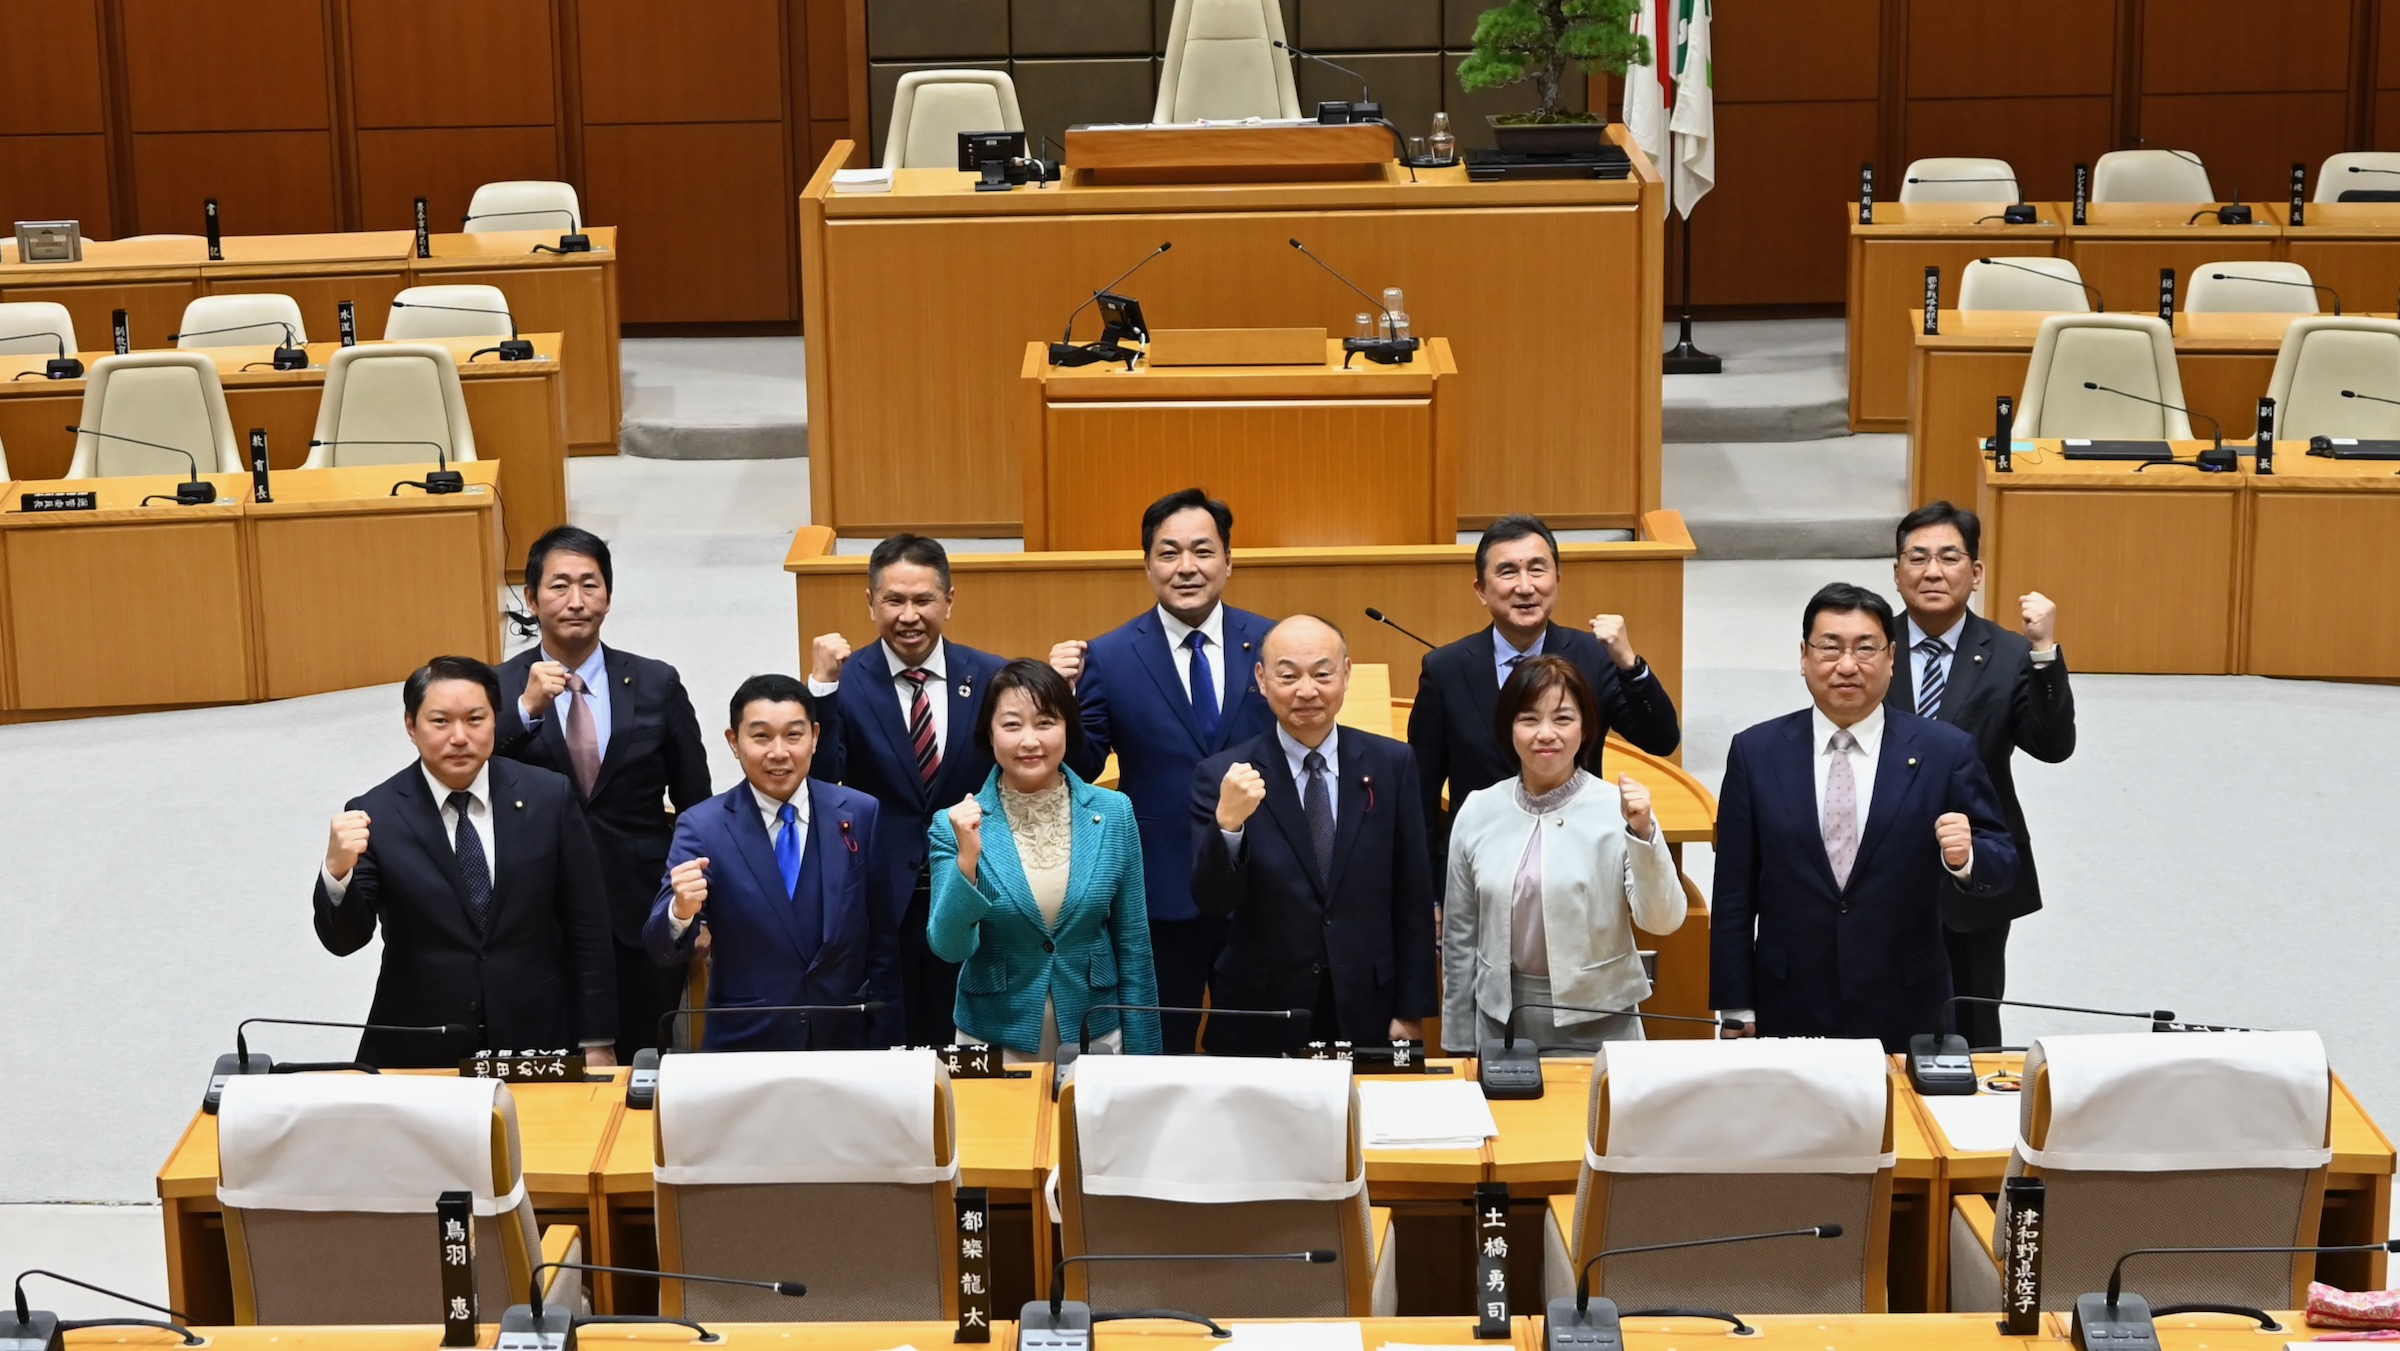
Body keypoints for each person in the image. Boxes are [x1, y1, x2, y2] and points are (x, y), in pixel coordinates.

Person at [1710, 585, 2018, 1051]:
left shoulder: (1944, 750)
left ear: (1892, 657)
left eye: (1866, 648)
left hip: (1908, 1002)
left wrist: (1968, 859)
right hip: (1789, 998)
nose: (1847, 665)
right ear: (1804, 656)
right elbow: (1733, 892)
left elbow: (2003, 860)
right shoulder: (1756, 752)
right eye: (1830, 647)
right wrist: (1735, 1005)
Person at [1050, 488, 1276, 1053]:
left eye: (1202, 551)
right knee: (1160, 1051)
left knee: (1257, 1053)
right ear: (1147, 564)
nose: (1187, 567)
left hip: (1262, 882)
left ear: (1229, 560)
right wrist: (1061, 700)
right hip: (1157, 888)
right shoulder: (1110, 654)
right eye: (1169, 553)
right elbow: (1081, 767)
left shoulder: (1273, 644)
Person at [315, 656, 616, 1068]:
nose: (459, 737)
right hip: (419, 1044)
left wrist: (597, 1038)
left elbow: (588, 925)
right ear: (411, 726)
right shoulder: (376, 814)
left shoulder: (549, 797)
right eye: (440, 722)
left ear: (495, 720)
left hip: (537, 1033)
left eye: (475, 719)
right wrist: (337, 872)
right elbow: (345, 940)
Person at [495, 525, 712, 1057]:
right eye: (559, 586)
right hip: (533, 906)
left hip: (636, 906)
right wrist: (525, 713)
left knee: (642, 1056)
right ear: (531, 598)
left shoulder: (657, 682)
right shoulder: (496, 687)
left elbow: (697, 806)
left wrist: (702, 911)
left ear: (608, 597)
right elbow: (472, 775)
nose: (575, 601)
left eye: (590, 586)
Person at [1191, 615, 1437, 1055]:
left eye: (1322, 673)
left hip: (1370, 1006)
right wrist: (1227, 825)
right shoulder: (1224, 775)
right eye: (1288, 675)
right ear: (1263, 680)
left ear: (1346, 675)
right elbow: (1213, 902)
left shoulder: (1392, 764)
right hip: (1263, 1011)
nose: (1307, 690)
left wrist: (1411, 1010)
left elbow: (1413, 897)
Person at [1885, 503, 2076, 1050]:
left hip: (1976, 865)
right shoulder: (1872, 647)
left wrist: (2044, 653)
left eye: (1949, 557)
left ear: (1976, 572)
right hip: (1879, 860)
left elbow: (2052, 746)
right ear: (1897, 572)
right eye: (1916, 558)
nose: (1932, 571)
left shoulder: (2012, 653)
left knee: (1972, 1016)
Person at [809, 533, 1008, 1046]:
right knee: (894, 1038)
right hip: (881, 895)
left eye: (923, 600)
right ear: (870, 602)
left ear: (949, 600)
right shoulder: (845, 684)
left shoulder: (989, 677)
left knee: (966, 1035)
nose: (909, 615)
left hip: (971, 886)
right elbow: (823, 780)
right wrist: (821, 691)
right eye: (893, 600)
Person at [1408, 514, 1681, 877]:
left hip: (1579, 865)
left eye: (1538, 570)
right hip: (1479, 869)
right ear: (1481, 590)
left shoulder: (1594, 657)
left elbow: (1661, 740)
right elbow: (1421, 796)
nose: (1525, 587)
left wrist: (1630, 664)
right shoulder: (1445, 669)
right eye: (1507, 572)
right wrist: (1429, 898)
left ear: (1557, 580)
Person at [1441, 655, 1683, 1054]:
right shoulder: (1477, 810)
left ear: (1586, 727)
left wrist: (1643, 833)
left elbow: (1662, 920)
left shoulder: (1616, 808)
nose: (1546, 734)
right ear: (1508, 728)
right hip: (1502, 1023)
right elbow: (1460, 936)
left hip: (1602, 1020)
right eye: (1529, 719)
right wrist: (1458, 1040)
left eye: (1563, 719)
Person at [644, 675, 899, 1050]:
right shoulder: (703, 825)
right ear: (734, 742)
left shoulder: (861, 813)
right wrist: (681, 911)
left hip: (845, 1038)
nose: (778, 752)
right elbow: (659, 947)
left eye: (793, 735)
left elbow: (882, 941)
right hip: (746, 1040)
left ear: (815, 736)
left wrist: (888, 1040)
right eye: (761, 736)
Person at [928, 660, 1162, 1060]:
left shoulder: (1114, 811)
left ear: (1068, 727)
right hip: (995, 1035)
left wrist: (1145, 1065)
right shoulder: (955, 822)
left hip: (1097, 1034)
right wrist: (968, 860)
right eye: (1012, 725)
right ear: (989, 732)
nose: (1030, 741)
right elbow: (949, 947)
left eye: (1046, 722)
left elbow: (1133, 945)